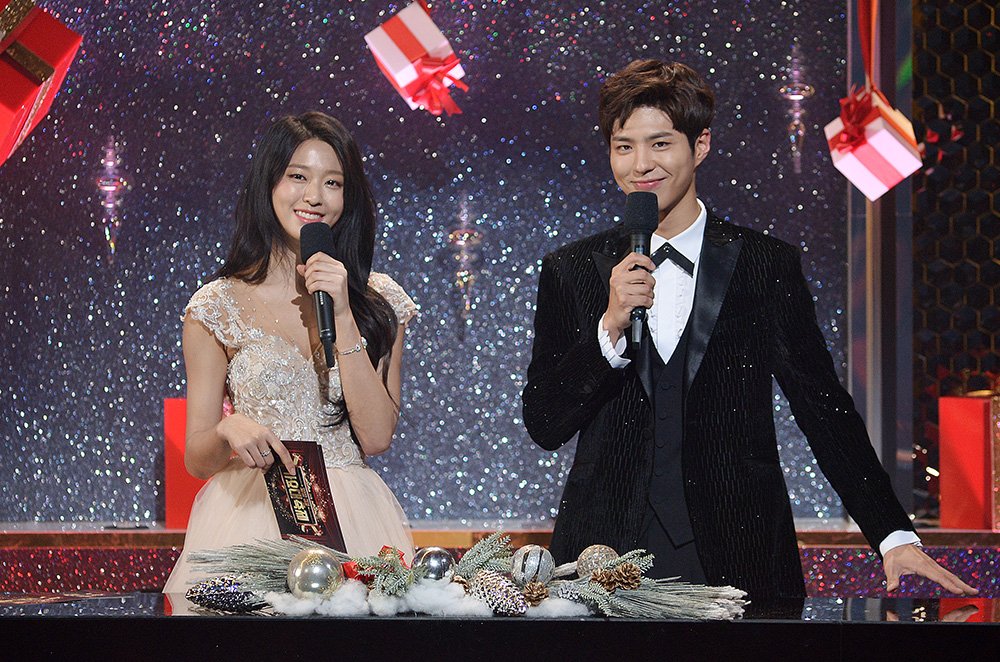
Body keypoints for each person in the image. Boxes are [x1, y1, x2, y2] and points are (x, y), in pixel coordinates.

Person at [521, 59, 977, 599]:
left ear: (701, 145)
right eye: (624, 147)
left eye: (660, 144)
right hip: (602, 562)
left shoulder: (765, 264)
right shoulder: (572, 270)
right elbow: (544, 422)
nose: (641, 164)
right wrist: (609, 328)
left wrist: (892, 534)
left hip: (740, 553)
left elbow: (822, 407)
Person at [164, 112, 415, 592]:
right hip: (249, 515)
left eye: (333, 182)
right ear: (269, 184)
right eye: (298, 176)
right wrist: (227, 429)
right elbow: (197, 459)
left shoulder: (379, 301)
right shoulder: (217, 305)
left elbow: (377, 435)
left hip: (353, 518)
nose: (314, 196)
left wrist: (343, 313)